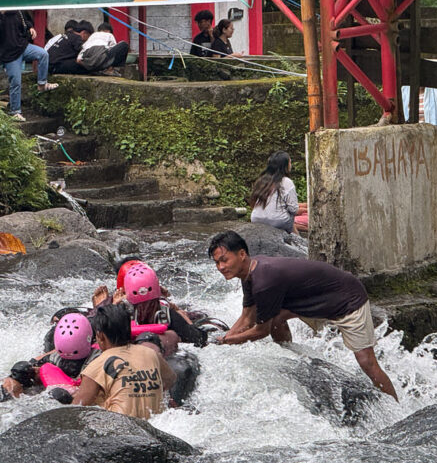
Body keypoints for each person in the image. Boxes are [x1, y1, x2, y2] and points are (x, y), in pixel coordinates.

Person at [207, 231, 398, 400]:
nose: (221, 267)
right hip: (314, 299)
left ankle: (394, 407)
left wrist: (228, 342)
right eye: (217, 262)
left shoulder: (264, 281)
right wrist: (224, 338)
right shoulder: (248, 275)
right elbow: (247, 317)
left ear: (242, 254)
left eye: (224, 260)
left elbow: (260, 331)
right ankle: (289, 354)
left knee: (366, 361)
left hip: (347, 299)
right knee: (277, 318)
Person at [72, 303, 176, 420]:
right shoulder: (151, 354)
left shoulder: (96, 366)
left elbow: (75, 410)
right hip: (157, 425)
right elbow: (170, 380)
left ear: (100, 336)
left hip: (121, 428)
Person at [1, 312, 98, 401]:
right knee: (20, 371)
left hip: (79, 391)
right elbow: (33, 364)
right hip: (61, 385)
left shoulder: (98, 358)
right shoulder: (54, 357)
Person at [0, 10, 58, 121]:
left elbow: (25, 20)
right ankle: (15, 111)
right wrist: (1, 13)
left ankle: (42, 84)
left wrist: (30, 27)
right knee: (16, 81)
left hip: (22, 46)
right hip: (9, 53)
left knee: (43, 54)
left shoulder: (17, 10)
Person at [249, 151, 301, 233]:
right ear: (285, 165)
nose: (291, 165)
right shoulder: (286, 182)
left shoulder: (261, 180)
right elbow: (293, 209)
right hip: (278, 221)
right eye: (290, 162)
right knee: (290, 216)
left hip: (256, 218)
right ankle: (296, 239)